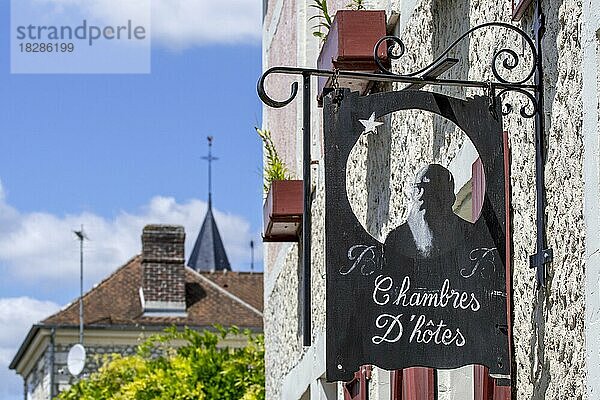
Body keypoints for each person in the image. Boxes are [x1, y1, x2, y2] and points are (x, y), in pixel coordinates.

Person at [384, 163, 473, 259]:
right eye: (418, 188)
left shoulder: (469, 234)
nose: (421, 196)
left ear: (447, 196)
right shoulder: (396, 240)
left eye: (429, 188)